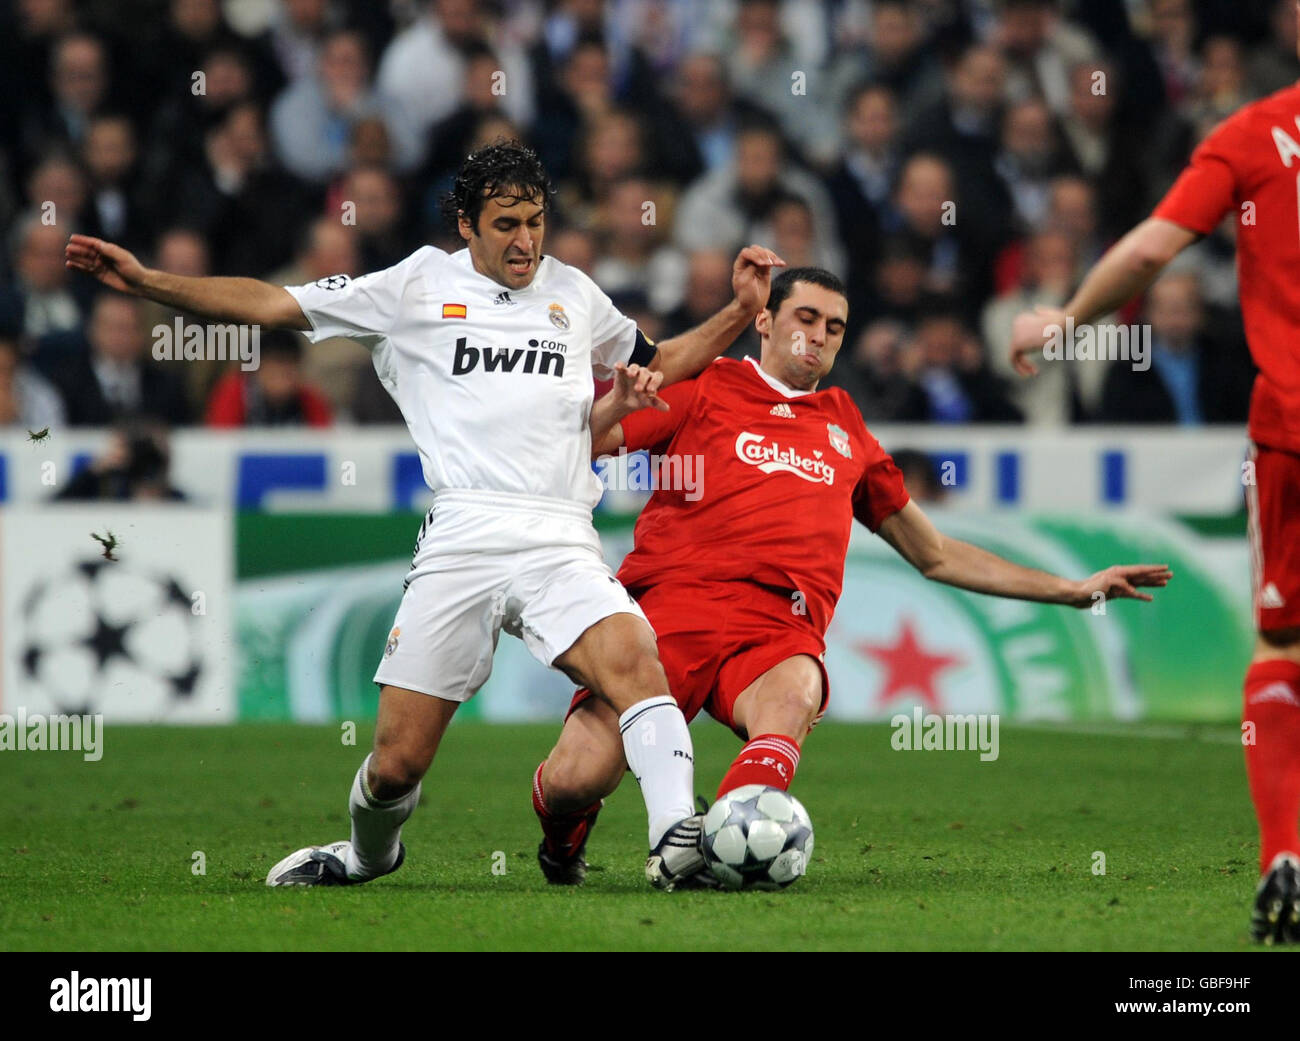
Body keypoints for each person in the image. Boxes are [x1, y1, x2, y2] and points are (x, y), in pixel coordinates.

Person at [65, 139, 785, 891]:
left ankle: (675, 840)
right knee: (395, 764)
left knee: (639, 662)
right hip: (463, 536)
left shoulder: (574, 292)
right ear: (467, 226)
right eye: (506, 223)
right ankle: (368, 853)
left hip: (559, 533)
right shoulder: (412, 286)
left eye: (535, 221)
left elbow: (658, 360)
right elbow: (276, 304)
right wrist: (150, 283)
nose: (526, 240)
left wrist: (738, 311)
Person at [532, 267, 1171, 886]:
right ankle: (564, 840)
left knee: (796, 690)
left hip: (776, 627)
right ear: (764, 320)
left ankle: (717, 842)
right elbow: (584, 441)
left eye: (835, 327)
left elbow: (936, 553)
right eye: (805, 317)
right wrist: (604, 411)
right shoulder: (707, 386)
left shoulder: (845, 426)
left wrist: (1070, 588)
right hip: (671, 611)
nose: (819, 335)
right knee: (574, 779)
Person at [1008, 1, 1300, 943]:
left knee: (1284, 650)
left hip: (1290, 431)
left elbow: (1148, 247)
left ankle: (1284, 851)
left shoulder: (1252, 136)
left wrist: (1064, 319)